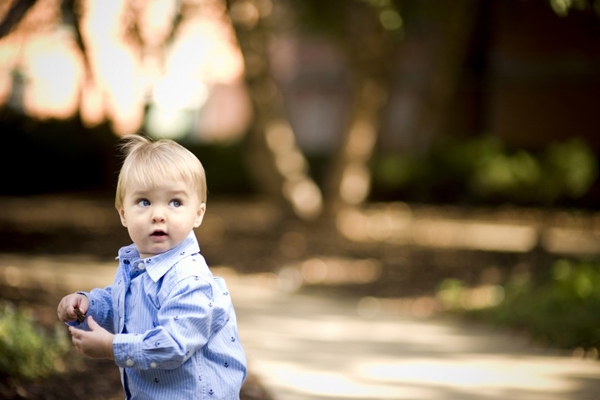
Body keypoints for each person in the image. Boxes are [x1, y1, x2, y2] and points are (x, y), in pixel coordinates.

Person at [57, 134, 247, 399]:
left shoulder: (189, 279)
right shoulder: (136, 264)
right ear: (123, 213)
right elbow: (123, 307)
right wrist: (88, 305)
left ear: (198, 214)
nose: (158, 214)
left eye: (175, 202)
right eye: (144, 202)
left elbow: (172, 345)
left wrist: (112, 347)